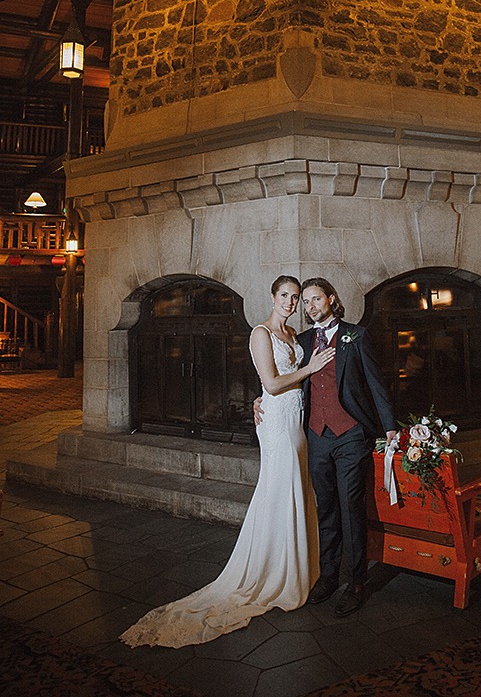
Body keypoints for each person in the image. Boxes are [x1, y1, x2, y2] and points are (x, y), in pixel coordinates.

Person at [119, 275, 334, 648]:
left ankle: (295, 567)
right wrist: (307, 370)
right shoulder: (260, 333)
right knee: (278, 488)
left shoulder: (293, 335)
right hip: (277, 425)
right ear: (272, 295)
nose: (290, 302)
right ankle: (271, 572)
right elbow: (270, 382)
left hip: (293, 419)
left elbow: (283, 383)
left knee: (294, 488)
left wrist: (283, 386)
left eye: (296, 297)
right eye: (284, 295)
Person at [297, 277, 397, 617]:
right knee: (325, 508)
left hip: (351, 435)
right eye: (305, 301)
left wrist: (390, 427)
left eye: (315, 299)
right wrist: (258, 399)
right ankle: (328, 575)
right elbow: (286, 381)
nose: (310, 306)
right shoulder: (303, 341)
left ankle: (356, 583)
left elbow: (376, 385)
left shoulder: (357, 336)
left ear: (331, 299)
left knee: (351, 509)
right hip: (316, 436)